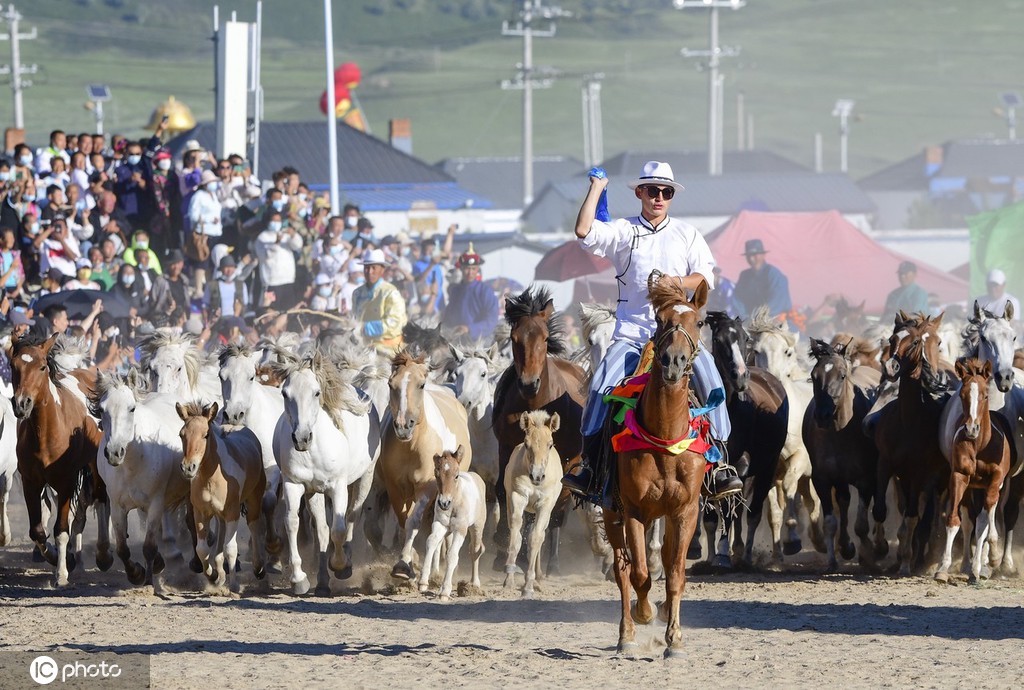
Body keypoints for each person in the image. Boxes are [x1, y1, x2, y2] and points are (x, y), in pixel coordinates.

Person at [561, 161, 742, 503]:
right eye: (653, 190)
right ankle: (589, 466)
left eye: (667, 192)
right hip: (632, 334)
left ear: (672, 196)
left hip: (677, 335)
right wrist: (597, 188)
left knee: (714, 384)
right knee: (600, 387)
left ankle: (719, 467)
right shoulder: (623, 231)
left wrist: (676, 282)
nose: (659, 197)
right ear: (639, 192)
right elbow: (584, 230)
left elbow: (705, 278)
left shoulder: (688, 234)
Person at [440, 244, 499, 343]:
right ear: (462, 268)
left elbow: (491, 320)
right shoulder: (455, 290)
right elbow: (449, 316)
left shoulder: (485, 291)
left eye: (473, 269)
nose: (470, 272)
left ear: (477, 270)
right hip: (456, 339)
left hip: (480, 341)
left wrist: (469, 329)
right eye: (467, 268)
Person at [352, 249, 407, 353]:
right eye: (367, 268)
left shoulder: (390, 292)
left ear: (382, 270)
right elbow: (355, 317)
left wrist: (365, 328)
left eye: (374, 268)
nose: (369, 272)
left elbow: (395, 323)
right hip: (362, 347)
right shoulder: (357, 293)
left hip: (388, 349)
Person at [733, 239, 792, 320]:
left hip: (777, 320)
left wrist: (759, 317)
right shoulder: (744, 276)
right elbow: (738, 299)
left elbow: (777, 302)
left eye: (754, 255)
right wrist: (745, 318)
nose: (751, 259)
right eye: (749, 256)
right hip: (752, 321)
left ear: (763, 255)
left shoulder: (773, 274)